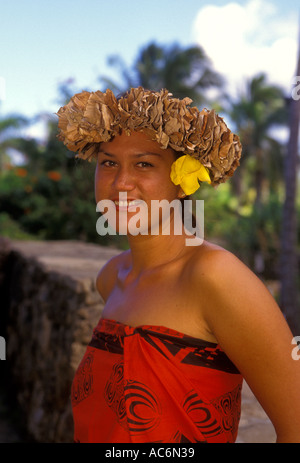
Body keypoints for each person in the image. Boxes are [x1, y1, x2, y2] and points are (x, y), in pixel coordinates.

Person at [57, 87, 300, 443]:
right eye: (109, 163)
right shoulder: (112, 277)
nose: (122, 183)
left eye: (144, 164)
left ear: (182, 181)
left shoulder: (216, 277)